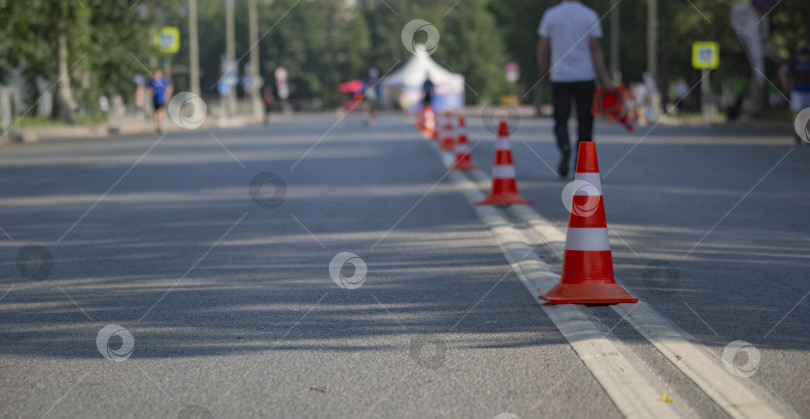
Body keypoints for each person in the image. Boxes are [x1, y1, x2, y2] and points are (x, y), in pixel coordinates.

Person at [537, 0, 613, 178]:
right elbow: (595, 49)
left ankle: (564, 146)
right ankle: (582, 165)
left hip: (560, 76)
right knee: (585, 120)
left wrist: (543, 69)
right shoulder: (590, 15)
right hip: (585, 76)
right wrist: (605, 77)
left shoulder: (551, 14)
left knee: (560, 118)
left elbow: (542, 48)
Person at [779, 46, 810, 145]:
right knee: (797, 112)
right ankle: (798, 133)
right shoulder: (794, 62)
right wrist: (785, 84)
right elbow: (782, 71)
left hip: (808, 90)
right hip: (797, 91)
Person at [147, 69, 172, 133]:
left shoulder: (164, 80)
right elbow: (148, 87)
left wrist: (167, 95)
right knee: (156, 113)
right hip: (155, 99)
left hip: (162, 99)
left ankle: (161, 126)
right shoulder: (152, 81)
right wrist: (151, 91)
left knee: (161, 111)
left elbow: (169, 86)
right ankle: (157, 125)